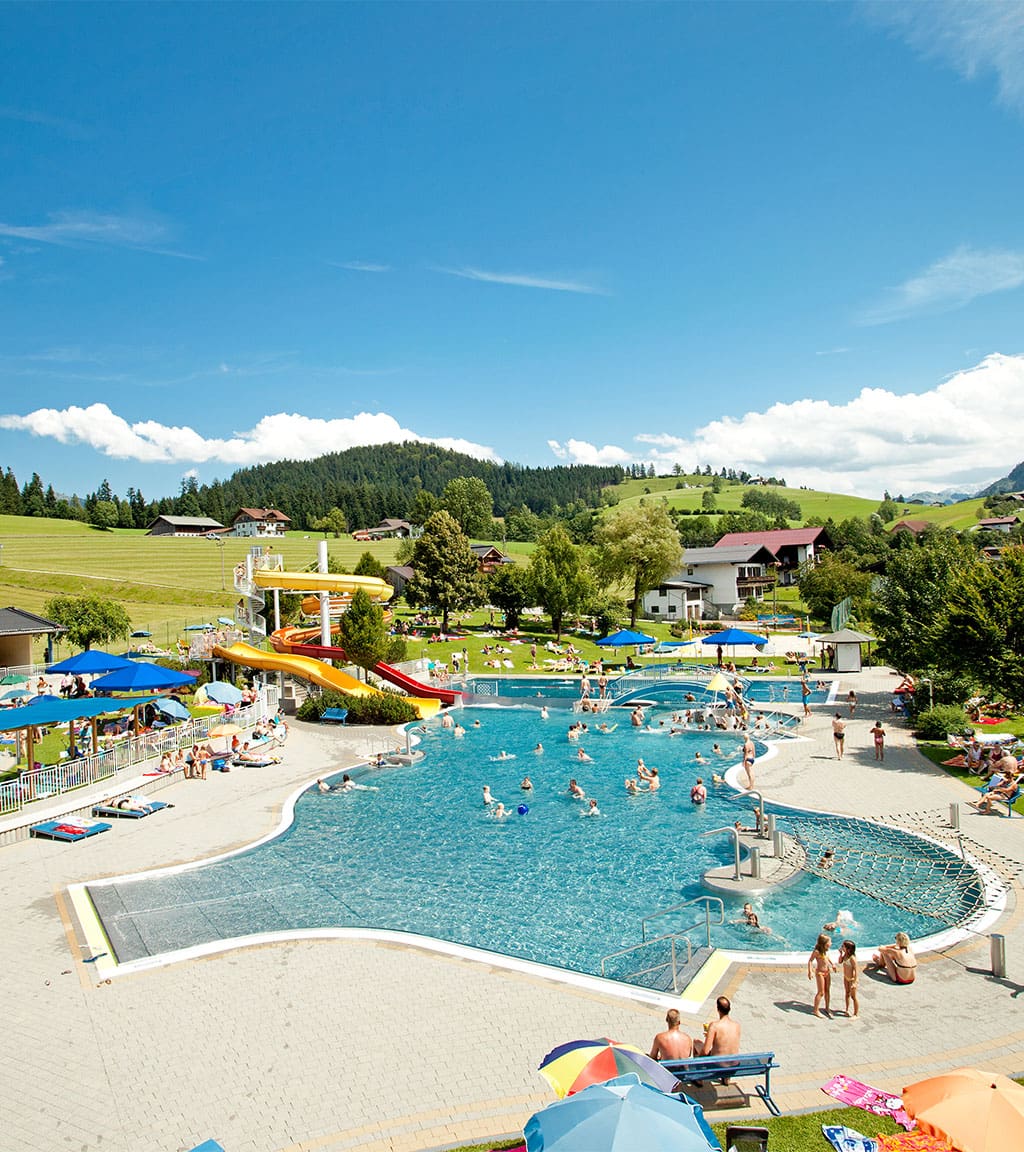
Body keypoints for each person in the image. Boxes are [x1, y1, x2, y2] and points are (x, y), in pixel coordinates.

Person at [808, 933, 836, 1018]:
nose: (831, 943)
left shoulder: (826, 950)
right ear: (825, 943)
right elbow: (810, 961)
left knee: (827, 990)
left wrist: (833, 964)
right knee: (821, 992)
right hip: (820, 973)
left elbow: (827, 958)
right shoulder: (817, 952)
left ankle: (827, 1007)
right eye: (830, 942)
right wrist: (810, 971)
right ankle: (816, 1010)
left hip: (827, 972)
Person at [838, 940, 860, 1017]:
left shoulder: (852, 958)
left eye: (843, 946)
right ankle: (847, 1009)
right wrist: (840, 954)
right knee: (847, 994)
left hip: (851, 979)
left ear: (848, 949)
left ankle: (856, 1014)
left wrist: (855, 982)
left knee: (853, 997)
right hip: (846, 978)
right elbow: (840, 962)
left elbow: (856, 970)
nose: (841, 947)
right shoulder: (845, 956)